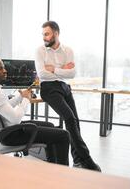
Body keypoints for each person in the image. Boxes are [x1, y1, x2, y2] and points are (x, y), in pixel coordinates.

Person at [0, 56, 70, 166]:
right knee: (63, 135)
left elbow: (4, 107)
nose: (5, 71)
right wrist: (26, 99)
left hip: (5, 131)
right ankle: (63, 172)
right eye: (0, 68)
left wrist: (20, 97)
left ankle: (50, 166)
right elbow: (16, 119)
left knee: (49, 125)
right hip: (12, 134)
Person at [35, 21, 101, 172]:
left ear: (56, 33)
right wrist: (62, 69)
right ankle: (86, 159)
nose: (44, 37)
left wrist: (54, 69)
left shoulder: (68, 50)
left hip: (65, 87)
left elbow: (72, 73)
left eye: (47, 34)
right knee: (69, 118)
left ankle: (77, 160)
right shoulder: (40, 51)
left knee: (75, 122)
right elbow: (42, 73)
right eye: (43, 34)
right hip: (48, 88)